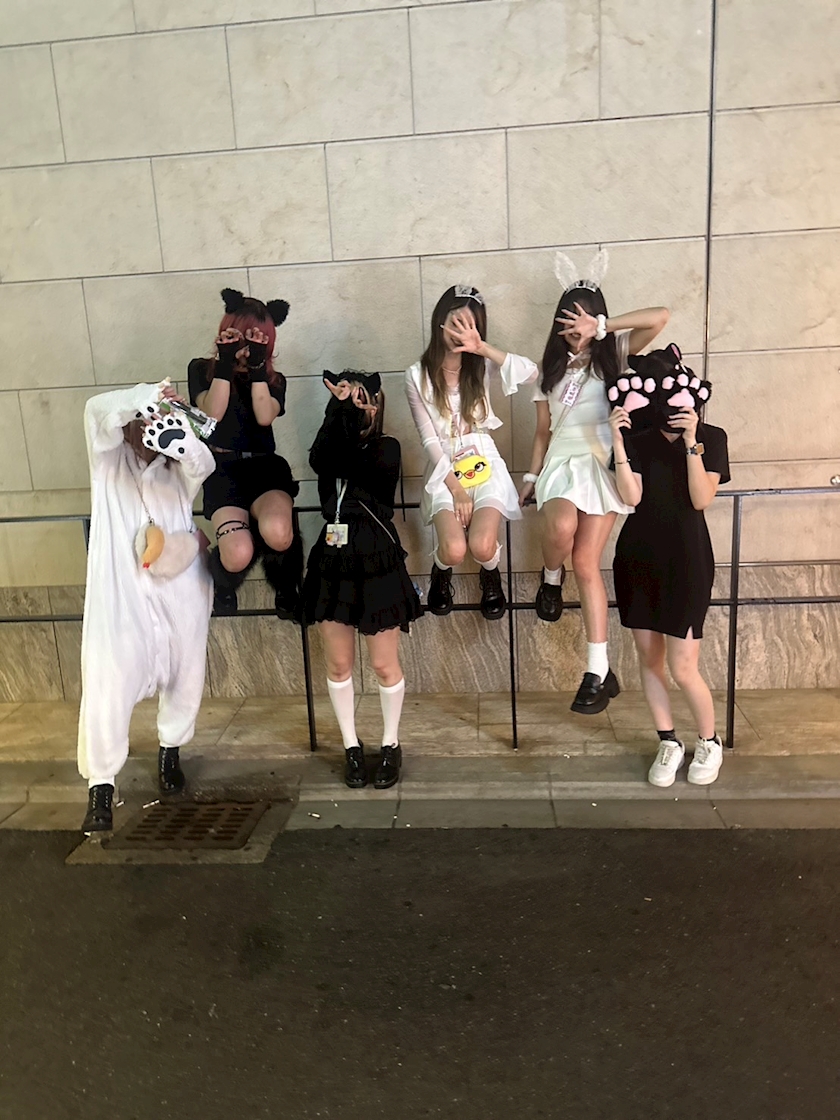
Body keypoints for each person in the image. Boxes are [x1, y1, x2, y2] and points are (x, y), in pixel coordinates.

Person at [519, 250, 668, 714]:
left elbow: (660, 317)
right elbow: (542, 432)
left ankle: (597, 671)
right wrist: (530, 475)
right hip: (560, 463)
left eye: (582, 319)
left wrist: (603, 327)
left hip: (601, 464)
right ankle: (550, 576)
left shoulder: (615, 356)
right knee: (561, 529)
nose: (575, 328)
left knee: (586, 563)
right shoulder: (546, 372)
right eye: (568, 319)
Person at [78, 382, 215, 834]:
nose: (148, 429)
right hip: (123, 597)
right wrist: (145, 395)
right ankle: (101, 787)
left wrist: (179, 438)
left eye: (156, 420)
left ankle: (170, 752)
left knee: (186, 673)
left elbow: (204, 464)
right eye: (143, 419)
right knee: (108, 683)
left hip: (179, 592)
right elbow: (96, 410)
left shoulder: (177, 473)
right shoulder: (106, 463)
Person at [609, 345, 730, 786]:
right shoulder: (638, 439)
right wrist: (617, 442)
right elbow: (631, 497)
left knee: (683, 665)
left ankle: (709, 741)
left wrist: (692, 441)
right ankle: (668, 741)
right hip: (638, 556)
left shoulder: (712, 436)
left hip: (688, 559)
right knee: (649, 659)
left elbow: (701, 499)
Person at [302, 370, 422, 789]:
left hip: (376, 556)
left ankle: (391, 743)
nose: (355, 407)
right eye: (346, 400)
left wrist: (350, 417)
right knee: (338, 664)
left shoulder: (387, 447)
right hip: (333, 559)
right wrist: (340, 412)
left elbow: (357, 466)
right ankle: (351, 745)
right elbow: (324, 461)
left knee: (384, 664)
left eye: (361, 399)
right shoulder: (329, 444)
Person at [405, 285, 538, 620]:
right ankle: (441, 569)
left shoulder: (481, 365)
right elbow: (429, 440)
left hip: (483, 456)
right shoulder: (416, 375)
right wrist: (457, 490)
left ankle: (490, 572)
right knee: (453, 549)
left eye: (471, 325)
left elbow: (533, 373)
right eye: (457, 322)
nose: (461, 331)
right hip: (444, 465)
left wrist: (482, 348)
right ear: (440, 320)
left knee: (481, 546)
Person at [188, 288, 302, 618]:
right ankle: (223, 584)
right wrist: (225, 365)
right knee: (237, 553)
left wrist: (257, 369)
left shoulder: (274, 379)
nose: (248, 343)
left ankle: (287, 586)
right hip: (223, 471)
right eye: (242, 334)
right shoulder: (201, 369)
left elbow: (265, 416)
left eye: (258, 337)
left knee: (278, 532)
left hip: (264, 468)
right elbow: (212, 413)